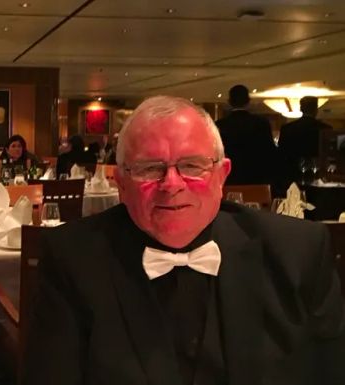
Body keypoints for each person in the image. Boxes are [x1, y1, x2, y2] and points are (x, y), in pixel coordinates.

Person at [24, 96, 345, 385]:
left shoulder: (298, 251)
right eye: (150, 168)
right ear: (120, 183)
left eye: (192, 165)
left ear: (222, 175)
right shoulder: (73, 256)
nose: (172, 184)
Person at [215, 84, 277, 186]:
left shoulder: (220, 125)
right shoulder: (261, 123)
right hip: (257, 178)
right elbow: (270, 153)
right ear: (248, 101)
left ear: (229, 102)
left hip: (229, 179)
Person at [278, 96, 333, 188]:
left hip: (292, 174)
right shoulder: (325, 128)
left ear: (301, 108)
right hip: (318, 175)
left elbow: (281, 153)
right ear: (316, 110)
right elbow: (329, 153)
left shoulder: (288, 128)